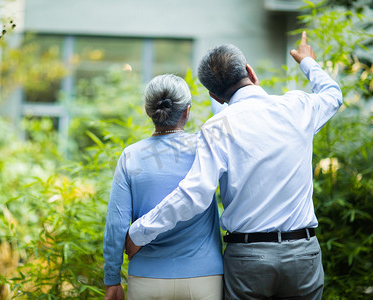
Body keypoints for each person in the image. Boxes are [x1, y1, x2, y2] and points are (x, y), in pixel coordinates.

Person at [126, 32, 342, 299]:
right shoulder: (297, 107)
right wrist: (307, 61)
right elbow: (333, 95)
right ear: (250, 72)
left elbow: (194, 194)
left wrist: (139, 232)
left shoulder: (217, 128)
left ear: (214, 97)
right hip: (302, 254)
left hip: (248, 260)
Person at [103, 74, 223, 300]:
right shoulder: (205, 149)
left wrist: (112, 279)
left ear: (148, 111)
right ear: (187, 112)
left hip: (146, 279)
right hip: (204, 278)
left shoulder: (131, 156)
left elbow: (116, 223)